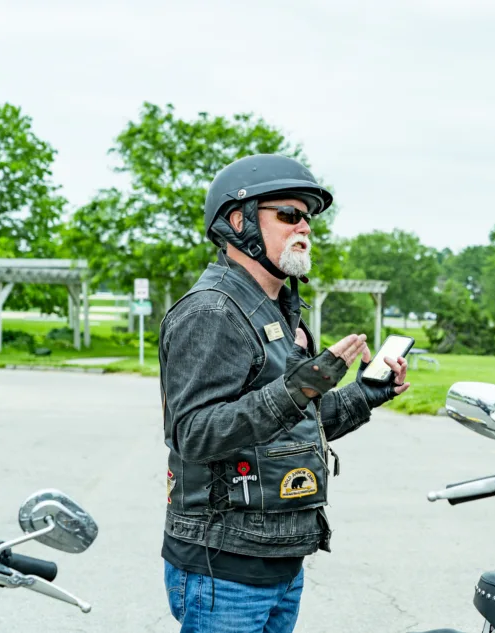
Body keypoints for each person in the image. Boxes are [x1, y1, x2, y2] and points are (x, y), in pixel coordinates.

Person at [159, 154, 410, 633]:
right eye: (289, 215)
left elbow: (294, 423)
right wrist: (303, 384)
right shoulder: (213, 312)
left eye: (309, 217)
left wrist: (368, 392)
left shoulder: (277, 312)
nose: (305, 227)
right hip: (224, 565)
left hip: (279, 558)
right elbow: (194, 434)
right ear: (240, 222)